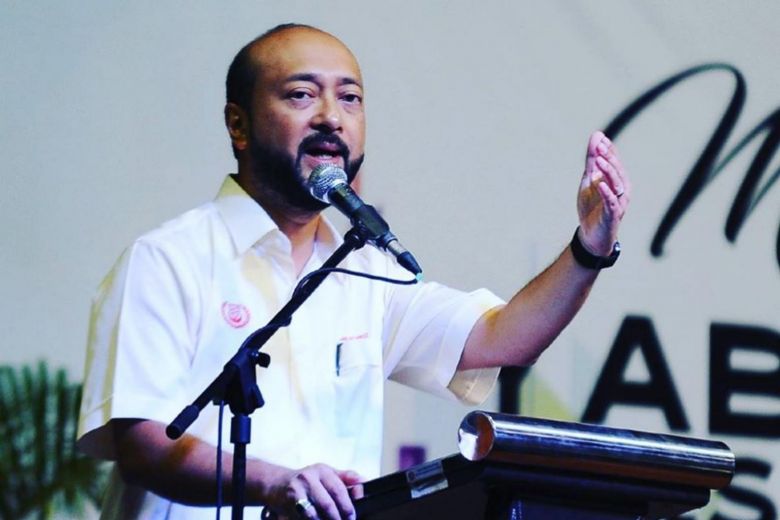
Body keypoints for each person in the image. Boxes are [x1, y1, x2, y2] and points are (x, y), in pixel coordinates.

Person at [77, 23, 631, 520]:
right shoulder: (168, 259)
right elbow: (143, 444)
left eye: (350, 98)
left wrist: (589, 247)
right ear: (238, 125)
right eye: (301, 94)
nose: (331, 117)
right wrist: (276, 484)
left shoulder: (366, 273)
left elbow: (505, 337)